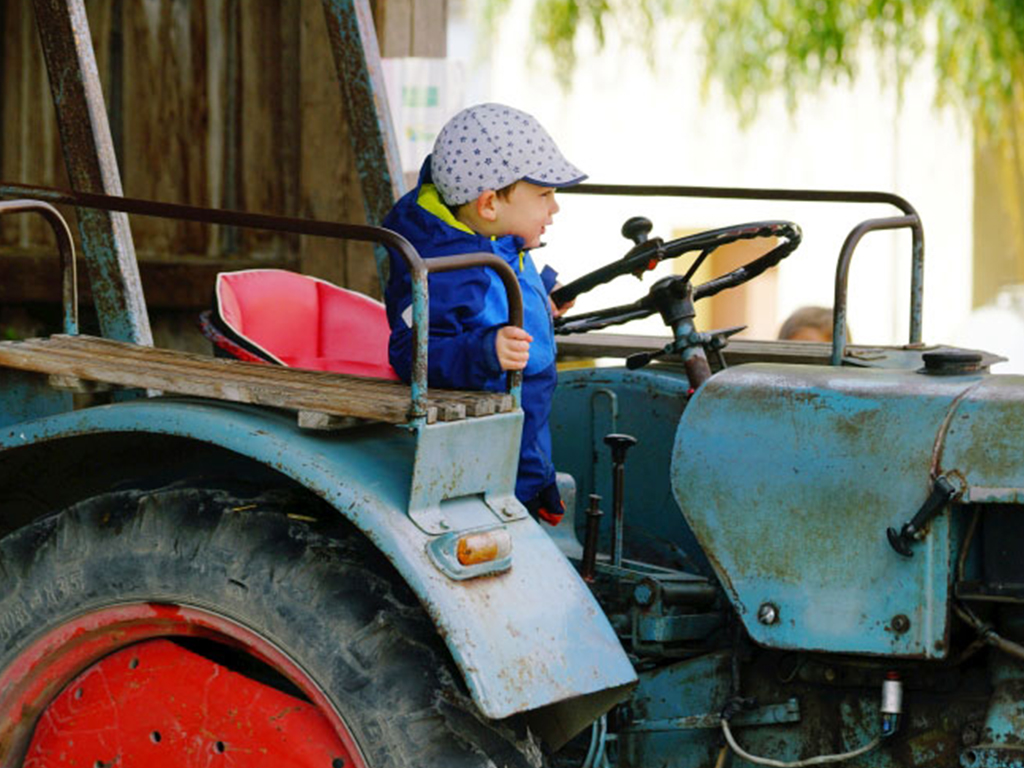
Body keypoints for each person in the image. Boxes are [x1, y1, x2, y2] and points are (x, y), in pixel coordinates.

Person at [382, 103, 585, 526]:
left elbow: (507, 265)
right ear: (489, 203)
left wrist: (543, 289)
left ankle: (536, 486)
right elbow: (411, 351)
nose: (555, 208)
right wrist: (484, 350)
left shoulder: (483, 233)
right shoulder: (446, 267)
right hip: (482, 458)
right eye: (545, 195)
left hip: (521, 439)